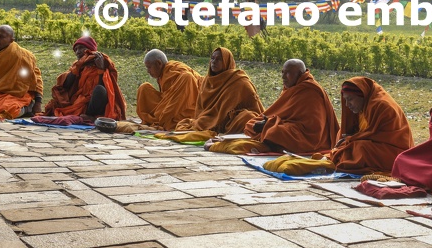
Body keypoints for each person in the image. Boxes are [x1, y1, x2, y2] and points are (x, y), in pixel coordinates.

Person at [209, 59, 339, 154]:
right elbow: (281, 114)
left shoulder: (310, 91)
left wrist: (270, 124)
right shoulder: (293, 88)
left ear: (300, 74)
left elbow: (312, 128)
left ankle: (268, 143)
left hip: (309, 138)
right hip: (290, 128)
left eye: (288, 73)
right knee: (251, 123)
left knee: (275, 132)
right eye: (282, 72)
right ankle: (269, 139)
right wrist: (269, 122)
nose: (283, 77)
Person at [329, 77, 414, 174]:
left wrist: (351, 139)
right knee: (345, 141)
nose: (347, 105)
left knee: (361, 149)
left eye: (350, 99)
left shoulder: (380, 106)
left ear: (362, 95)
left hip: (396, 152)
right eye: (345, 100)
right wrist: (351, 139)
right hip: (377, 146)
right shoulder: (364, 106)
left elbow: (376, 136)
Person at [174, 47, 264, 135]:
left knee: (247, 117)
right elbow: (201, 109)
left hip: (230, 121)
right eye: (212, 58)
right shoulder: (207, 81)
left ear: (226, 61)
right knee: (193, 123)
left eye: (219, 59)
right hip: (210, 118)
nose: (214, 61)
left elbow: (255, 108)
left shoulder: (239, 80)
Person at [44, 36, 126, 120]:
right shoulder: (77, 66)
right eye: (76, 49)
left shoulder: (104, 63)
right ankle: (84, 114)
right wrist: (77, 69)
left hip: (95, 104)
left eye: (81, 48)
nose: (78, 52)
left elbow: (108, 89)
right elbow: (64, 85)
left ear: (90, 49)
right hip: (78, 102)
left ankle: (91, 116)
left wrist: (101, 69)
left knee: (100, 90)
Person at [136, 49, 200, 130]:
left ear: (158, 63)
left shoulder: (181, 73)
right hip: (167, 108)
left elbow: (184, 99)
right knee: (144, 88)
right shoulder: (162, 74)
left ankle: (163, 119)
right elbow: (167, 97)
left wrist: (164, 117)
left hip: (185, 108)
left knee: (187, 77)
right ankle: (159, 118)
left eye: (149, 67)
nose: (148, 71)